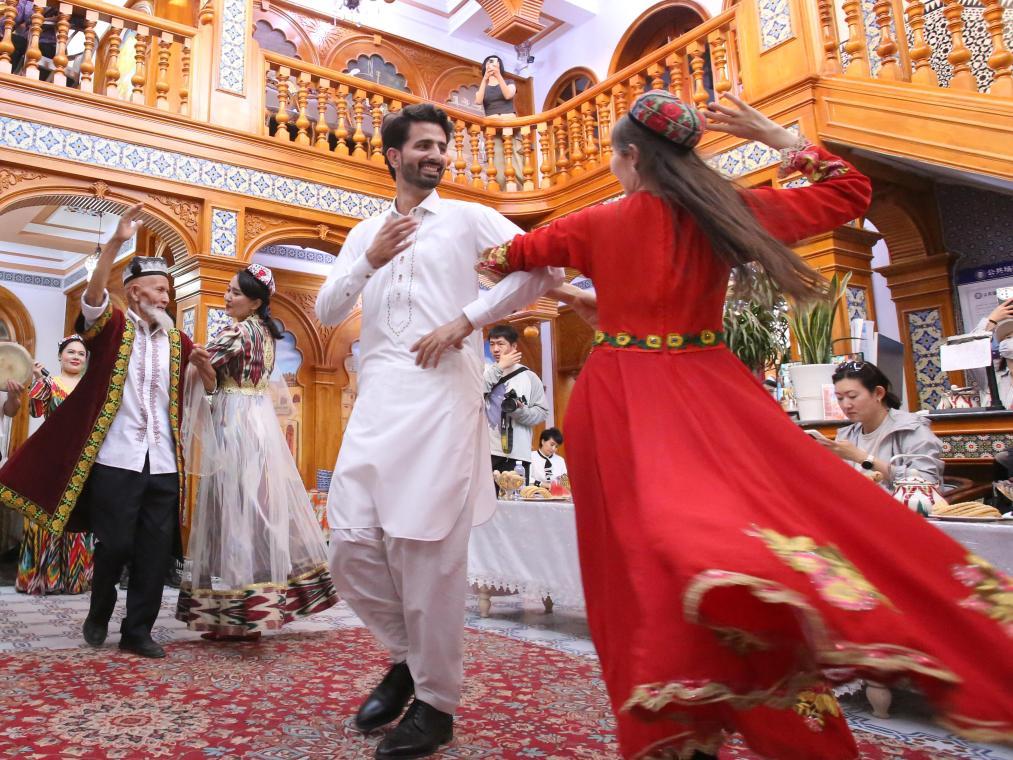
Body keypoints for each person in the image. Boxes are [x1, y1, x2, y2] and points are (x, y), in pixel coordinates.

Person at [420, 91, 1013, 759]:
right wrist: (779, 137)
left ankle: (674, 714)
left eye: (614, 159)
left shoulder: (595, 221)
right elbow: (848, 192)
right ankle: (775, 688)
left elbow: (500, 259)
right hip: (712, 389)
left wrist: (578, 289)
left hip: (621, 397)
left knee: (638, 564)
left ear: (630, 156)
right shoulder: (725, 210)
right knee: (757, 529)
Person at [315, 102, 562, 759]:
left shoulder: (468, 219)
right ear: (394, 156)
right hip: (378, 400)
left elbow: (544, 270)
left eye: (441, 146)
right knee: (349, 545)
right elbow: (328, 309)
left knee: (427, 555)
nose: (436, 155)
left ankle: (436, 705)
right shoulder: (365, 231)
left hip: (442, 395)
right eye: (423, 145)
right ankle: (406, 658)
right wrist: (367, 260)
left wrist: (465, 321)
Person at [0, 203, 204, 660]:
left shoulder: (178, 341)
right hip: (116, 458)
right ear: (134, 293)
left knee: (155, 550)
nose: (167, 298)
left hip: (164, 463)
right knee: (116, 543)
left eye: (169, 291)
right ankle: (100, 608)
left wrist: (206, 370)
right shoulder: (112, 328)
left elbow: (198, 389)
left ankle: (138, 631)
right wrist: (115, 242)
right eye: (160, 289)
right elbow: (92, 300)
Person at [176, 263, 338, 641]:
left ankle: (239, 615)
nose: (227, 297)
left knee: (234, 514)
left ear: (255, 301)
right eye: (228, 290)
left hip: (235, 423)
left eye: (235, 292)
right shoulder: (265, 333)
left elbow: (202, 369)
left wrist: (194, 362)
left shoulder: (236, 331)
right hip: (258, 422)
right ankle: (253, 610)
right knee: (252, 512)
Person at [16, 335, 94, 594]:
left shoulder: (91, 388)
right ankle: (43, 577)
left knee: (78, 515)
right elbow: (36, 412)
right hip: (51, 458)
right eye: (71, 352)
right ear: (60, 356)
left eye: (81, 354)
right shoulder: (49, 383)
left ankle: (76, 579)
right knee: (48, 515)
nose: (76, 357)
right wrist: (39, 380)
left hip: (82, 460)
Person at [818, 360, 943, 489]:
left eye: (852, 396)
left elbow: (928, 482)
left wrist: (861, 457)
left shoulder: (911, 428)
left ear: (878, 393)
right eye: (839, 398)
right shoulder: (846, 435)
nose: (845, 405)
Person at [485, 323, 548, 483]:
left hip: (518, 456)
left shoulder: (529, 377)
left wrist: (520, 411)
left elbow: (542, 412)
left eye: (500, 344)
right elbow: (474, 394)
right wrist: (499, 367)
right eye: (492, 344)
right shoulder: (485, 372)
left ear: (513, 346)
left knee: (516, 497)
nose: (495, 349)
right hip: (486, 452)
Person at [475, 54, 524, 189]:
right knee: (497, 163)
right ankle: (503, 190)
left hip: (510, 125)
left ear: (499, 66)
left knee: (516, 161)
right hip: (493, 129)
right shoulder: (484, 87)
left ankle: (519, 189)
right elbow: (478, 100)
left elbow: (508, 95)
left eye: (494, 63)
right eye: (489, 64)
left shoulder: (509, 82)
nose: (491, 66)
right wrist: (485, 79)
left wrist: (498, 75)